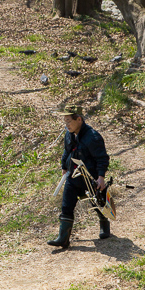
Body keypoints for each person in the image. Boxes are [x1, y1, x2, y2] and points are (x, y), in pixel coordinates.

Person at [49, 104, 111, 249]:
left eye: (69, 121)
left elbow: (102, 158)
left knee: (98, 204)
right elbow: (67, 151)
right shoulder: (69, 134)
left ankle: (104, 225)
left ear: (79, 120)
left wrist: (101, 177)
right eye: (65, 121)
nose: (67, 124)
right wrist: (64, 166)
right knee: (66, 206)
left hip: (90, 179)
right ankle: (63, 238)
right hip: (73, 177)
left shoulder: (93, 137)